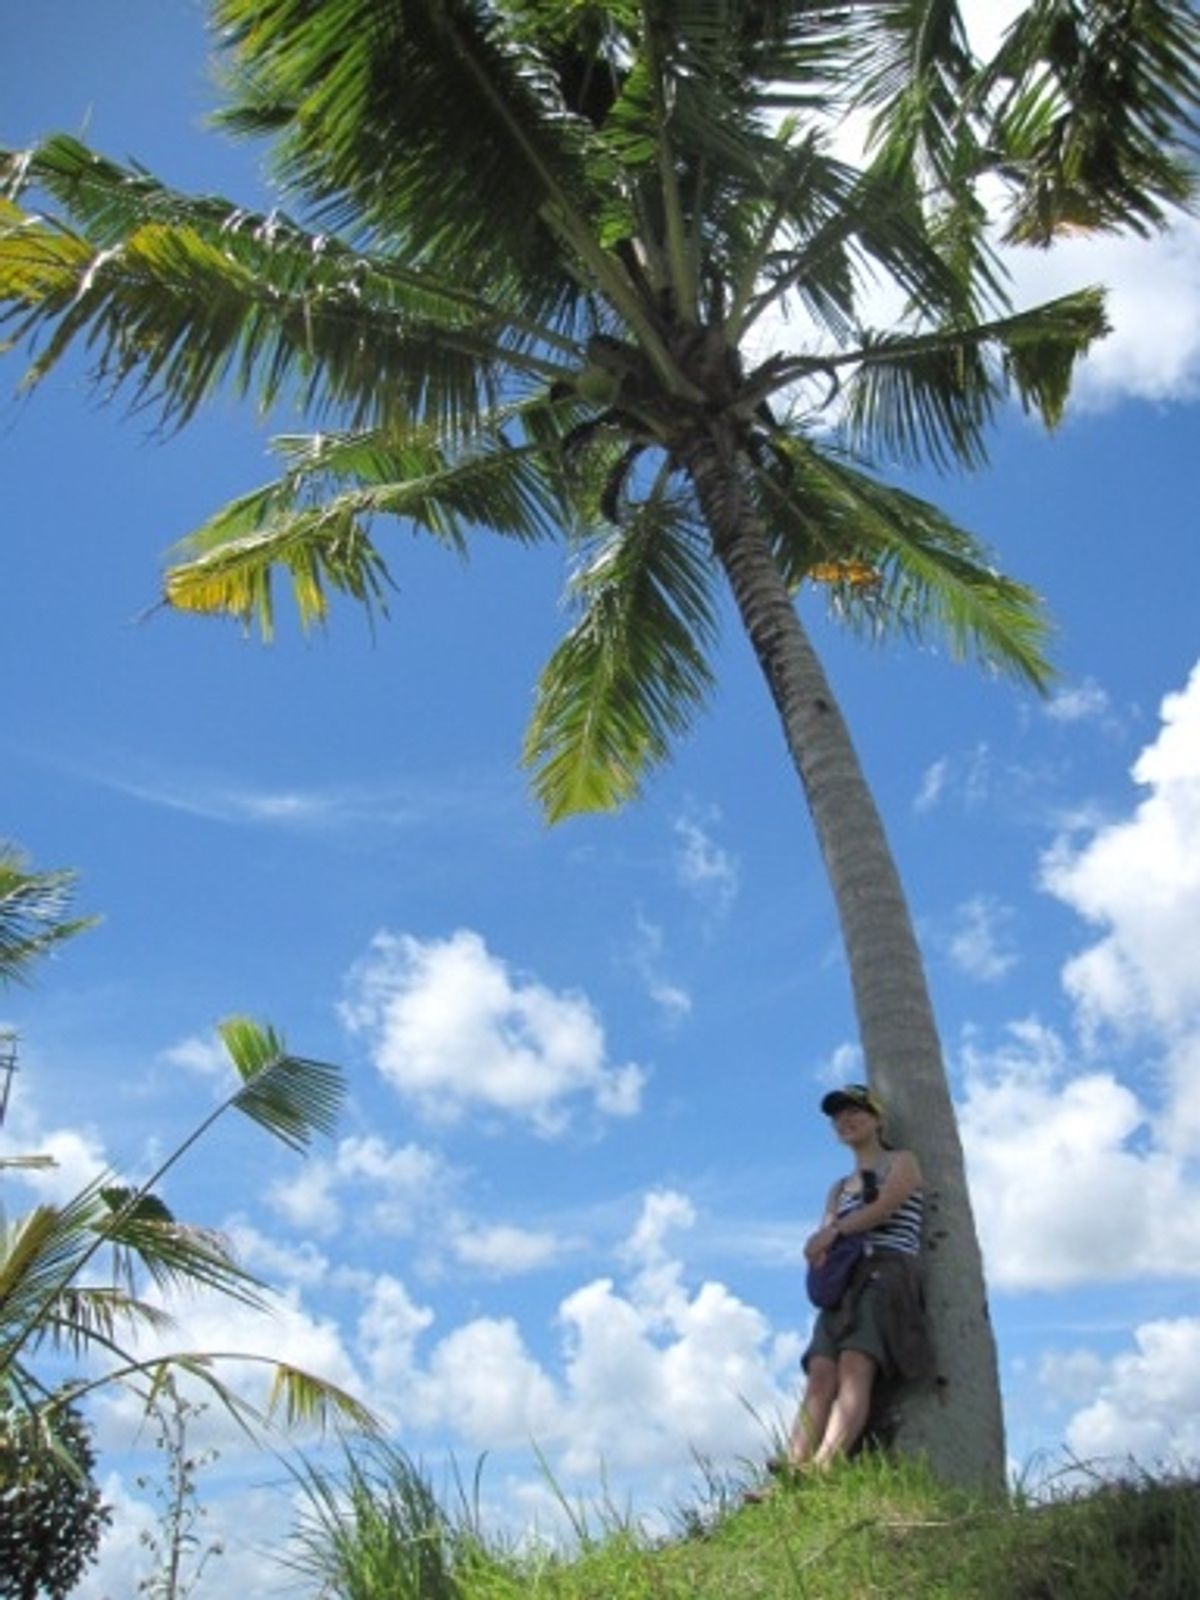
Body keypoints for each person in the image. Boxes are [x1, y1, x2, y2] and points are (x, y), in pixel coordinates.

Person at [768, 1083, 935, 1484]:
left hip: (886, 1270)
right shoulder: (838, 1188)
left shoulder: (902, 1161)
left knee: (855, 1364)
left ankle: (824, 1468)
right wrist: (821, 1246)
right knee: (820, 1372)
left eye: (855, 1111)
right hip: (843, 1283)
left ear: (877, 1118)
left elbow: (884, 1208)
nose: (845, 1120)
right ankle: (792, 1470)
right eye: (838, 1116)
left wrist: (833, 1233)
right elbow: (822, 1239)